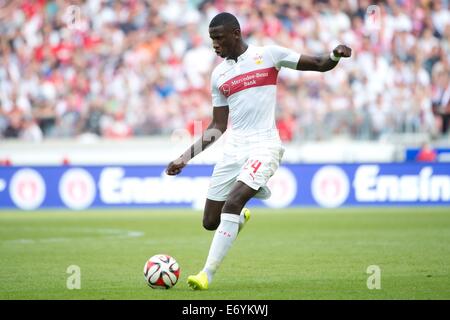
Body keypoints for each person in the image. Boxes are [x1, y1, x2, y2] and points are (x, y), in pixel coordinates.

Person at [165, 12, 351, 290]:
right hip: (234, 150)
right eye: (211, 40)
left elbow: (319, 63)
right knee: (209, 221)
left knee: (232, 203)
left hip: (265, 144)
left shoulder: (269, 55)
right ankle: (242, 212)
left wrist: (335, 55)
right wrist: (185, 157)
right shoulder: (219, 75)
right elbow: (217, 126)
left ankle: (206, 274)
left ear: (235, 34)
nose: (214, 45)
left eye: (219, 38)